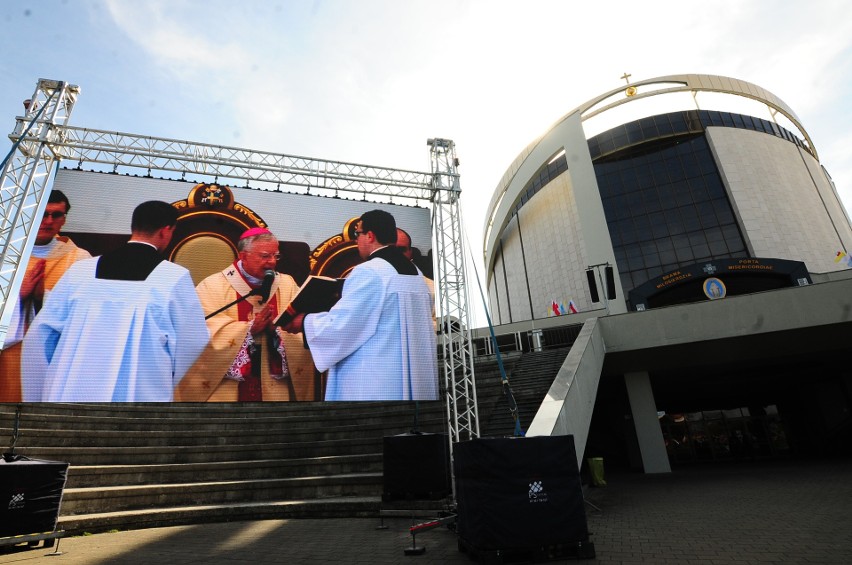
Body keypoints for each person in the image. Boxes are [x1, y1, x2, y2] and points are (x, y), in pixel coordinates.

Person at [21, 201, 209, 402]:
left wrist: (42, 389)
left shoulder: (82, 269)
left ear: (133, 227)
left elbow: (41, 333)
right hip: (138, 390)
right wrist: (164, 377)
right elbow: (193, 340)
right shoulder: (173, 277)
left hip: (73, 387)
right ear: (166, 231)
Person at [283, 210, 438, 401]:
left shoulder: (370, 271)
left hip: (375, 378)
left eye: (358, 234)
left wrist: (304, 322)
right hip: (411, 376)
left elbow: (345, 324)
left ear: (370, 236)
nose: (356, 240)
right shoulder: (415, 273)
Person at [177, 228, 315, 402]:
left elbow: (304, 332)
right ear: (243, 256)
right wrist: (248, 330)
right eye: (265, 256)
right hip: (226, 389)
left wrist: (278, 331)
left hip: (275, 388)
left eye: (276, 256)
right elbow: (197, 331)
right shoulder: (213, 286)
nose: (272, 262)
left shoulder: (287, 284)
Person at [0, 190, 91, 402]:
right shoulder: (6, 255)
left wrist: (42, 298)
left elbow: (85, 313)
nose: (48, 221)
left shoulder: (80, 259)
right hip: (8, 356)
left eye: (56, 215)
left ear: (64, 220)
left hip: (53, 355)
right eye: (42, 213)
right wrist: (18, 297)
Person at [396, 227, 437, 332]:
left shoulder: (431, 288)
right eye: (392, 250)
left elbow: (437, 329)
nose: (396, 255)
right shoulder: (366, 281)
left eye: (401, 250)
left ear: (410, 252)